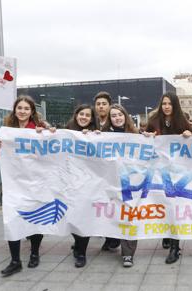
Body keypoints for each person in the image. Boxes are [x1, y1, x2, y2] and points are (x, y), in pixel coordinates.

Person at [0, 96, 53, 277]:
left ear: (32, 111)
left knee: (35, 219)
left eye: (27, 108)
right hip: (14, 184)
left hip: (36, 184)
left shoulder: (39, 129)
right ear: (15, 110)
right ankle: (15, 261)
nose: (23, 111)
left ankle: (34, 253)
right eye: (20, 108)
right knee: (12, 219)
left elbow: (51, 154)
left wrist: (49, 133)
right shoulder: (7, 131)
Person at [145, 92, 192, 264]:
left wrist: (190, 134)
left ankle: (175, 247)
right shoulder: (153, 122)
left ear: (175, 106)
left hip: (178, 173)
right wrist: (148, 136)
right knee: (162, 205)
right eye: (164, 103)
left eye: (170, 104)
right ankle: (166, 234)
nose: (166, 106)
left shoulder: (182, 122)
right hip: (159, 172)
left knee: (175, 208)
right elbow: (143, 140)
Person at [104, 104, 140, 267]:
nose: (117, 118)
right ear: (109, 119)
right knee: (112, 213)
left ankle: (128, 253)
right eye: (113, 116)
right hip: (110, 182)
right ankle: (112, 239)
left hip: (130, 184)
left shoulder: (136, 135)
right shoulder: (102, 136)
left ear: (125, 116)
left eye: (120, 114)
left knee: (130, 216)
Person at [65, 104, 98, 268]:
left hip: (89, 184)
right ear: (76, 115)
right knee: (72, 217)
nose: (84, 117)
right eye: (81, 114)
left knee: (84, 218)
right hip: (70, 182)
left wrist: (95, 136)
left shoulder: (97, 134)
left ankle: (81, 253)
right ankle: (77, 244)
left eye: (88, 115)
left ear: (92, 119)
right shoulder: (67, 131)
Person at [92, 91, 120, 251]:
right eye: (98, 104)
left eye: (104, 104)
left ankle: (113, 237)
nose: (101, 107)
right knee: (100, 204)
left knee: (113, 203)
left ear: (109, 106)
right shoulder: (91, 123)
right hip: (96, 172)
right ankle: (107, 235)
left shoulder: (115, 122)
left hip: (114, 173)